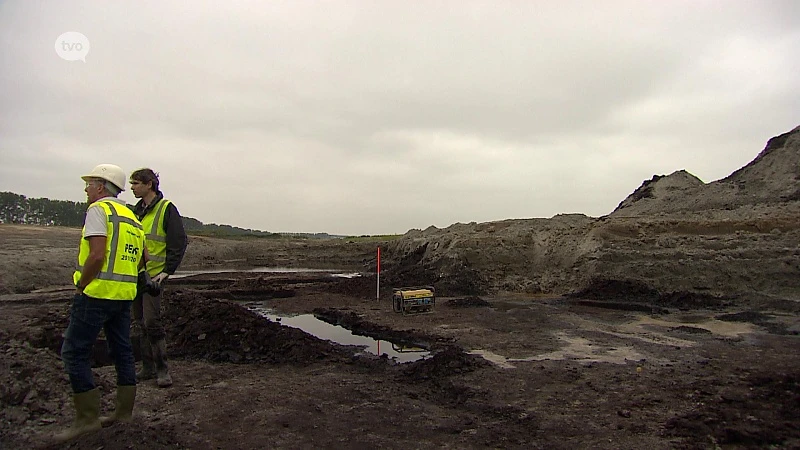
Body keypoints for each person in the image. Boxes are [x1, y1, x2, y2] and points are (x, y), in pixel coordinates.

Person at [55, 164, 145, 443]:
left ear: (101, 187)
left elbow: (96, 256)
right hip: (123, 296)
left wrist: (82, 284)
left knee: (74, 352)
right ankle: (123, 413)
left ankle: (87, 419)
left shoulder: (99, 211)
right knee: (122, 351)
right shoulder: (131, 217)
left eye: (89, 183)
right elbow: (142, 261)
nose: (85, 189)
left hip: (96, 295)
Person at [129, 168, 188, 388]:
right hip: (134, 275)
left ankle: (162, 369)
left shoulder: (166, 209)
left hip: (154, 276)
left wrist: (167, 272)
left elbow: (178, 242)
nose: (132, 187)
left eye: (136, 183)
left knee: (152, 321)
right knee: (140, 321)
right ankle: (147, 367)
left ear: (149, 184)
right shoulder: (135, 212)